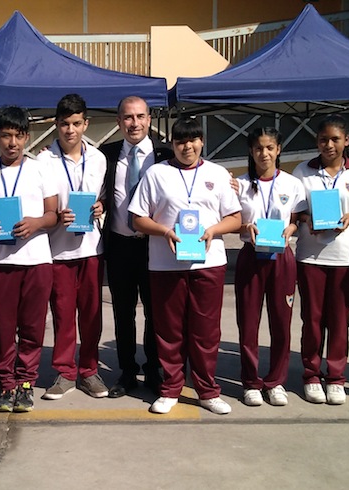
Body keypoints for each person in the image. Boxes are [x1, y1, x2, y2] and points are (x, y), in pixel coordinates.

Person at [129, 117, 241, 415]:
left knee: (205, 331)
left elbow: (235, 217)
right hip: (166, 265)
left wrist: (213, 231)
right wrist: (165, 231)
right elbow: (137, 218)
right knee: (169, 330)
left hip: (208, 262)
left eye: (192, 140)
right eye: (180, 141)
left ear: (201, 142)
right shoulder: (156, 174)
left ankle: (207, 390)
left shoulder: (217, 174)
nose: (186, 146)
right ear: (173, 144)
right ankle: (170, 388)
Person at [0, 106, 57, 414]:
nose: (12, 142)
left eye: (19, 136)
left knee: (33, 327)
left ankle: (25, 383)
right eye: (6, 136)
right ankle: (5, 383)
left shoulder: (40, 169)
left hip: (36, 261)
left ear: (27, 137)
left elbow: (53, 214)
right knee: (3, 328)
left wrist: (35, 223)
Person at [292, 115, 349, 405]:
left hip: (345, 256)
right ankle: (311, 374)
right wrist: (307, 219)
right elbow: (296, 211)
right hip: (310, 255)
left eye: (335, 139)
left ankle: (336, 376)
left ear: (346, 141)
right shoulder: (303, 171)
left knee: (339, 320)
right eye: (324, 139)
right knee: (312, 319)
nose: (329, 144)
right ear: (317, 141)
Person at [100, 96, 173, 398]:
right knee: (123, 311)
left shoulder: (166, 154)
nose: (135, 123)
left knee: (156, 312)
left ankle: (154, 370)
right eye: (128, 117)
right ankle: (127, 370)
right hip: (119, 246)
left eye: (140, 116)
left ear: (149, 120)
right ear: (119, 122)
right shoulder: (105, 154)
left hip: (154, 247)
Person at [36, 94, 109, 400]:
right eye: (64, 124)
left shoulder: (99, 158)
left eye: (76, 123)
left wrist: (100, 206)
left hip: (92, 248)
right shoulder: (42, 160)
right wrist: (56, 216)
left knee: (92, 314)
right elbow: (40, 203)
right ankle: (65, 372)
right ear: (56, 124)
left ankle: (89, 371)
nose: (70, 130)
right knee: (63, 314)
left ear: (85, 124)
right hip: (59, 250)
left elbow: (105, 196)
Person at [233, 127, 306, 408]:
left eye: (270, 147)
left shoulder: (291, 183)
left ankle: (276, 381)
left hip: (282, 259)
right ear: (251, 152)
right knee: (248, 324)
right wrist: (245, 227)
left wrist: (292, 226)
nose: (264, 153)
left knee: (281, 322)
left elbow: (298, 217)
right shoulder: (238, 184)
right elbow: (231, 220)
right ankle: (251, 382)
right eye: (258, 148)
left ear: (278, 150)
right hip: (252, 257)